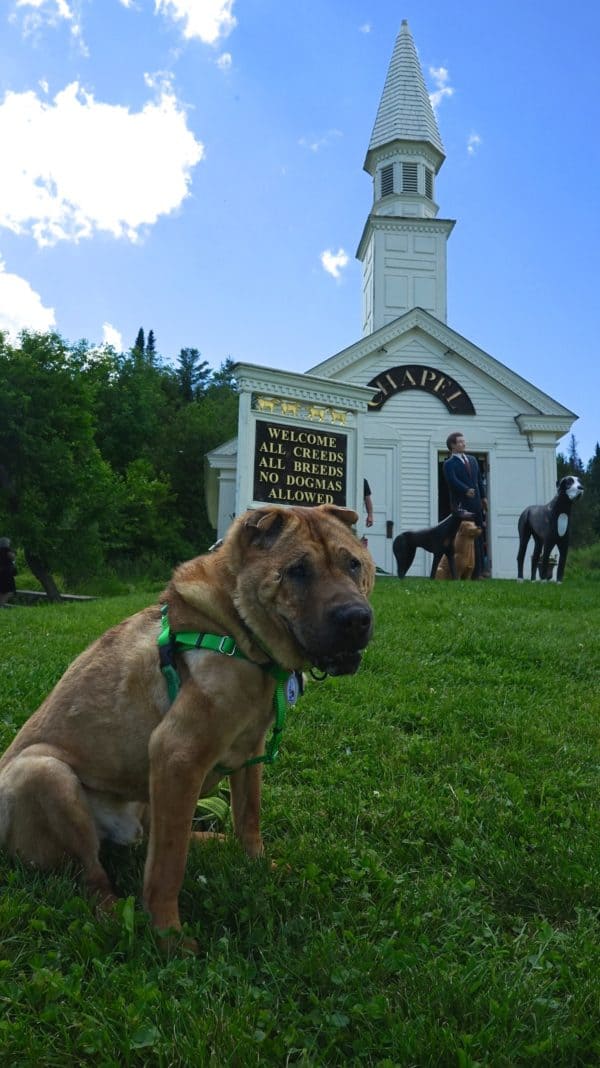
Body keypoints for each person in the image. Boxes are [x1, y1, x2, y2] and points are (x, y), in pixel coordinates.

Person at [442, 433, 487, 578]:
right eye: (460, 442)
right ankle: (457, 572)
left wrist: (484, 497)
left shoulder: (473, 460)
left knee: (478, 537)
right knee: (462, 539)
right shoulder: (448, 464)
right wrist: (465, 490)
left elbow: (478, 480)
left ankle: (477, 572)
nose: (464, 444)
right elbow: (452, 481)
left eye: (463, 441)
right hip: (461, 506)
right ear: (453, 445)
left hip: (476, 504)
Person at [0, 537, 17, 606]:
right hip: (7, 574)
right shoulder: (7, 550)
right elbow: (12, 557)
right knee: (10, 591)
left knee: (1, 591)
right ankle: (1, 605)